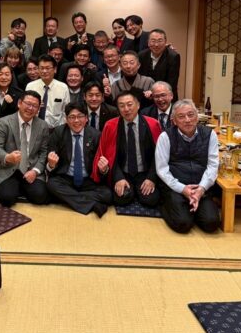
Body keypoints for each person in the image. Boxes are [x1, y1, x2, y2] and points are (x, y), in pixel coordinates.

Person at [155, 99, 220, 234]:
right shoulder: (165, 136)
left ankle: (193, 207)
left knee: (211, 224)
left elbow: (213, 165)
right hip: (175, 187)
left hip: (200, 187)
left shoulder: (210, 134)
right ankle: (169, 205)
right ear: (174, 121)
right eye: (181, 116)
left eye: (191, 115)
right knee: (182, 224)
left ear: (197, 117)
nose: (187, 120)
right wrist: (182, 188)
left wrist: (201, 189)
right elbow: (162, 169)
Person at [92, 91, 161, 208]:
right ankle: (131, 189)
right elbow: (109, 156)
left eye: (129, 104)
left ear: (138, 105)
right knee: (121, 199)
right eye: (122, 106)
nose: (126, 109)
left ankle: (139, 189)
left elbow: (159, 155)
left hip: (145, 172)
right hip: (123, 172)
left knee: (151, 200)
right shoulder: (110, 125)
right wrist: (118, 178)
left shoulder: (152, 124)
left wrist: (151, 178)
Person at [46, 103, 113, 217]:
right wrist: (51, 165)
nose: (76, 120)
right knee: (51, 184)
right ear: (66, 119)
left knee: (108, 194)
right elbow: (50, 165)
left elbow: (102, 170)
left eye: (80, 116)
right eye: (72, 117)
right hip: (66, 179)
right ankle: (93, 204)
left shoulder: (96, 135)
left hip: (88, 180)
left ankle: (70, 198)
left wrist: (104, 169)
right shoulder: (58, 133)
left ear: (86, 118)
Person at [0, 90, 50, 207]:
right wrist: (7, 157)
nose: (30, 108)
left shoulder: (42, 125)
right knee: (7, 199)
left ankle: (21, 187)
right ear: (19, 103)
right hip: (8, 169)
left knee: (40, 196)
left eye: (35, 106)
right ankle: (17, 187)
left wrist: (35, 171)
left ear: (38, 109)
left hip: (31, 168)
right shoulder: (3, 122)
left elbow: (44, 152)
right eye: (28, 104)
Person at [26, 55, 70, 129]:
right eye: (41, 68)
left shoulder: (63, 87)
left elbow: (66, 112)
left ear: (55, 69)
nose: (44, 71)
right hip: (33, 128)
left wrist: (60, 129)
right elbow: (25, 109)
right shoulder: (30, 86)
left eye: (47, 68)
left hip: (56, 130)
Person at [138, 29, 180, 101]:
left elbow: (172, 82)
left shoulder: (173, 56)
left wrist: (154, 92)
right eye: (153, 41)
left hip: (165, 97)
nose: (156, 45)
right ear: (148, 42)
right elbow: (140, 78)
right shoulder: (141, 55)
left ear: (165, 42)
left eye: (160, 41)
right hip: (146, 97)